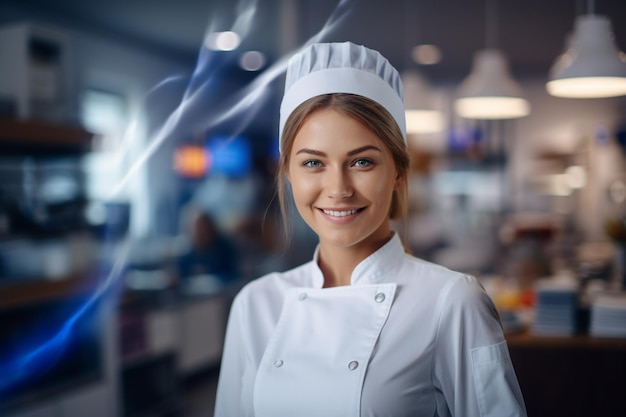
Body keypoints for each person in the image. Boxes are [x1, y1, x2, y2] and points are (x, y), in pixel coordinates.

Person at [214, 42, 527, 417]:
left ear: (397, 171)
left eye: (362, 161)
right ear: (288, 174)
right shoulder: (256, 304)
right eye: (313, 163)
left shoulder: (452, 302)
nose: (338, 189)